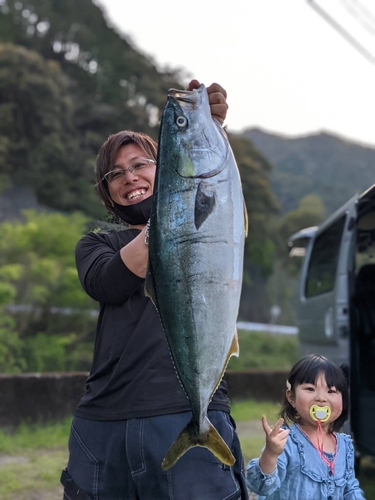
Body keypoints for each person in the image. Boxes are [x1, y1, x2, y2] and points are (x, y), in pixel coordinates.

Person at [60, 80, 249, 500]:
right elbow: (109, 282)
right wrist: (174, 201)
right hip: (104, 421)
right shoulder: (97, 244)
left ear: (162, 166)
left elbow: (219, 199)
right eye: (116, 173)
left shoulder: (210, 219)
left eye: (140, 165)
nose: (130, 178)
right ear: (106, 190)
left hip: (189, 409)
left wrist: (209, 131)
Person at [246, 354, 365, 499]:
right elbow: (261, 487)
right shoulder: (286, 442)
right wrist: (271, 454)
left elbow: (350, 489)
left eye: (331, 391)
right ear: (292, 398)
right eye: (310, 389)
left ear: (343, 400)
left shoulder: (345, 446)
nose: (321, 398)